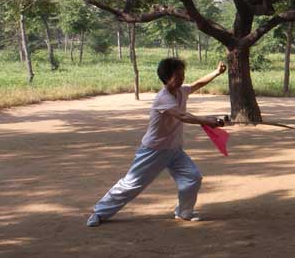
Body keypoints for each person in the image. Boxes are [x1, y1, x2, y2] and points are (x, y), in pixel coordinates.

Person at [86, 58, 227, 227]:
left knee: (192, 178)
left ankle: (184, 212)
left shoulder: (182, 91)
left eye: (182, 75)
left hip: (174, 150)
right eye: (177, 76)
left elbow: (198, 83)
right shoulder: (163, 98)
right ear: (166, 78)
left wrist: (216, 72)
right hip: (154, 150)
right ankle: (99, 212)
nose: (181, 79)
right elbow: (182, 116)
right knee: (132, 184)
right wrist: (206, 120)